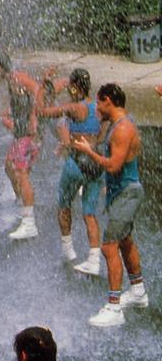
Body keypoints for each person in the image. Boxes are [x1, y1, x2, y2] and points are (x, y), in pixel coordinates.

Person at [72, 83, 149, 327]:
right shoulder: (118, 124)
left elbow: (114, 166)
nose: (96, 108)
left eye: (99, 103)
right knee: (125, 241)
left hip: (127, 193)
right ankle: (138, 292)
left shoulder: (123, 128)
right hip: (121, 192)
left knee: (109, 247)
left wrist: (88, 152)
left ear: (108, 101)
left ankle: (114, 308)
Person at [37, 69, 105, 273]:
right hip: (95, 164)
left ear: (74, 87)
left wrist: (44, 86)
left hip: (75, 164)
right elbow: (101, 135)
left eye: (69, 86)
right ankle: (94, 260)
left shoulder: (75, 108)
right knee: (90, 213)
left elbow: (42, 111)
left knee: (64, 205)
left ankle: (68, 251)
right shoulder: (99, 109)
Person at [0, 51, 41, 239]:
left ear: (0, 67)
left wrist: (34, 119)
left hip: (28, 133)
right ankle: (22, 203)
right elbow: (21, 102)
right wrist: (9, 113)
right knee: (9, 167)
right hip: (21, 132)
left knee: (21, 172)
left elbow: (38, 91)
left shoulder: (18, 78)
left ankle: (29, 223)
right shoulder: (11, 81)